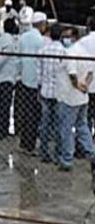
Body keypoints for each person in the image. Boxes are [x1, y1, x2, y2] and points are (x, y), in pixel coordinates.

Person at [56, 27, 95, 172]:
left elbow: (72, 74)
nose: (64, 39)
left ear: (74, 37)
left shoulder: (70, 52)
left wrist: (78, 85)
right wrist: (85, 85)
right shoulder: (85, 52)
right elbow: (90, 72)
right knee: (82, 126)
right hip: (83, 97)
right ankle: (92, 153)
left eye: (67, 36)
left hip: (69, 97)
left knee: (66, 129)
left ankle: (67, 159)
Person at [17, 11, 46, 154]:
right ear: (41, 24)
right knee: (34, 115)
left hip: (24, 80)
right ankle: (30, 145)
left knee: (26, 112)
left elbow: (19, 58)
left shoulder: (23, 38)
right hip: (36, 83)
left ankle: (24, 142)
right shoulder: (41, 41)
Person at [39, 24, 68, 163]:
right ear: (61, 35)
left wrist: (40, 85)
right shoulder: (64, 52)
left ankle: (44, 152)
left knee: (44, 123)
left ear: (49, 34)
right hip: (59, 92)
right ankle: (58, 154)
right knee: (58, 124)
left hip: (45, 90)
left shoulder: (43, 50)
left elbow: (39, 71)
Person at [0, 17, 20, 139]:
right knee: (4, 106)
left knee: (2, 105)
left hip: (1, 77)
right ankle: (2, 131)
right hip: (6, 78)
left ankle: (0, 130)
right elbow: (3, 58)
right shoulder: (10, 42)